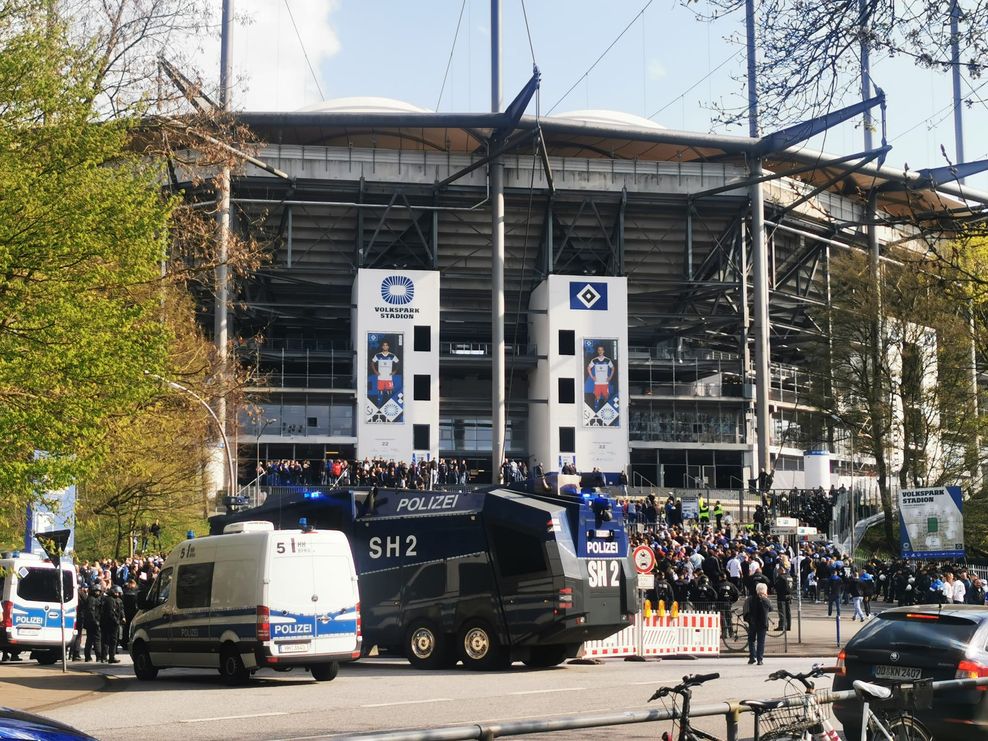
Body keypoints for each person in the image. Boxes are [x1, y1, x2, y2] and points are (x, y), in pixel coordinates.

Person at [744, 582, 772, 665]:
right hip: (763, 623)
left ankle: (752, 657)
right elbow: (771, 609)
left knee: (751, 640)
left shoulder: (751, 599)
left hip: (753, 622)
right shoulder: (766, 600)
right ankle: (760, 659)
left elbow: (747, 609)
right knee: (761, 642)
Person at [100, 586, 125, 663]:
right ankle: (104, 657)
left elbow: (121, 609)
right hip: (108, 623)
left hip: (115, 623)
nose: (118, 594)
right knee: (106, 640)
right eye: (116, 592)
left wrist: (123, 617)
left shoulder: (118, 600)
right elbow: (110, 613)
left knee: (114, 641)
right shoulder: (109, 600)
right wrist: (116, 621)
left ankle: (111, 656)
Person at [587, 345, 615, 410]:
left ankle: (605, 405)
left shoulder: (607, 360)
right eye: (599, 350)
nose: (600, 351)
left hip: (605, 382)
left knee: (606, 396)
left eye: (601, 350)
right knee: (597, 397)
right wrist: (592, 377)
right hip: (597, 383)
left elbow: (613, 368)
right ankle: (596, 409)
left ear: (603, 351)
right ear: (597, 351)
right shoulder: (594, 360)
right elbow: (588, 368)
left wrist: (610, 377)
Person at [371, 340, 399, 405]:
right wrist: (375, 371)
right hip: (380, 378)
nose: (385, 346)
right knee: (380, 393)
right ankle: (379, 406)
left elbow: (398, 363)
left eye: (386, 345)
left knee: (390, 393)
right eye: (384, 345)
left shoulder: (392, 355)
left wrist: (395, 371)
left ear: (388, 347)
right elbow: (372, 363)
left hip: (389, 378)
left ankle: (389, 405)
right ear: (382, 347)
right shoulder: (378, 355)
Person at [81, 585, 104, 662]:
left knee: (90, 639)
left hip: (92, 622)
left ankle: (88, 656)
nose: (98, 593)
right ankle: (98, 656)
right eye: (96, 591)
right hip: (93, 622)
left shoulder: (95, 599)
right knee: (96, 639)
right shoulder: (92, 599)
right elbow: (91, 612)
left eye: (99, 591)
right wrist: (96, 622)